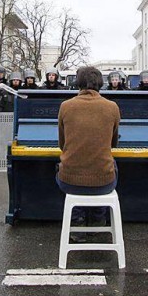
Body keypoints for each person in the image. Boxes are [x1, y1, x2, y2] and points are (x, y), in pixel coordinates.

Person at [56, 66, 120, 235]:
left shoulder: (65, 106)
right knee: (110, 165)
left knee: (63, 167)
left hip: (69, 182)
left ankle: (77, 221)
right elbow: (113, 144)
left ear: (78, 83)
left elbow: (62, 145)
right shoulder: (112, 107)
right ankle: (98, 218)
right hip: (104, 183)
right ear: (100, 83)